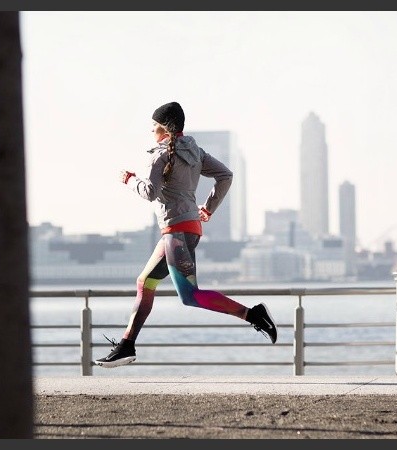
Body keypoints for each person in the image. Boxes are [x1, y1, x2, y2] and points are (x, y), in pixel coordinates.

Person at [95, 101, 277, 368]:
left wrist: (130, 179)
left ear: (165, 129)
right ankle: (126, 345)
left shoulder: (160, 155)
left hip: (177, 231)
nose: (152, 132)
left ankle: (254, 315)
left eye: (154, 127)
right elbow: (225, 175)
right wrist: (208, 208)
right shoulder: (196, 152)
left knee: (190, 296)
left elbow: (150, 192)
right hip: (186, 228)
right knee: (145, 282)